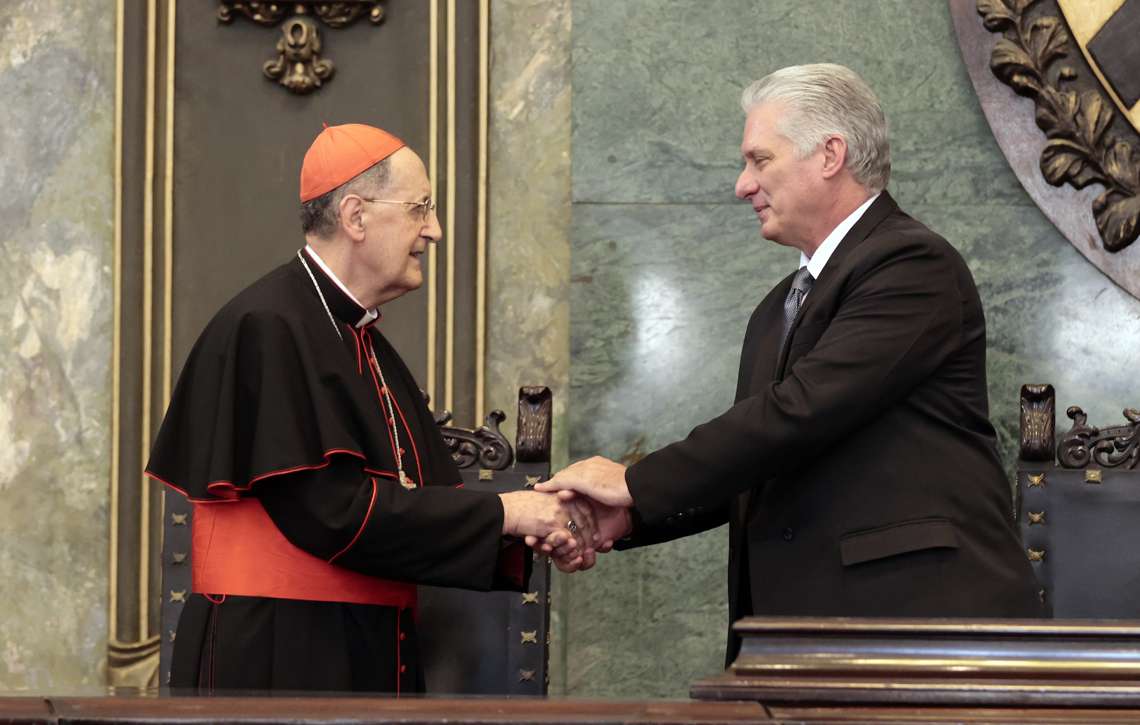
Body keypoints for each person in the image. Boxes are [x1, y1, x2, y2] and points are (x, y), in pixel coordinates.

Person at [537, 64, 1047, 664]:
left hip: (916, 628)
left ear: (830, 154)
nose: (742, 185)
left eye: (760, 160)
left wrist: (631, 483)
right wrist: (627, 518)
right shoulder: (776, 306)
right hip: (800, 634)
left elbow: (800, 413)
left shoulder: (911, 265)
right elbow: (761, 461)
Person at [146, 123, 598, 694]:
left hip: (362, 645)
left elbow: (412, 509)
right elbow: (336, 513)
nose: (433, 230)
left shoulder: (355, 336)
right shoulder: (270, 326)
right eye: (420, 208)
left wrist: (531, 519)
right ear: (356, 216)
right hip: (280, 661)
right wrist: (511, 515)